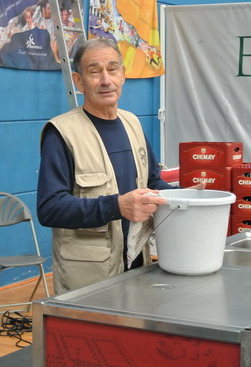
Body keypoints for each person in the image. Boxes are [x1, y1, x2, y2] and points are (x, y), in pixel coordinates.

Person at [37, 38, 176, 294]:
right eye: (94, 71)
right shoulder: (62, 133)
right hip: (89, 276)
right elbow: (50, 209)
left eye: (112, 69)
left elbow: (152, 181)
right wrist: (118, 206)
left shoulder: (132, 123)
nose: (105, 80)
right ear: (79, 82)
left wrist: (184, 198)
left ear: (123, 75)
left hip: (136, 264)